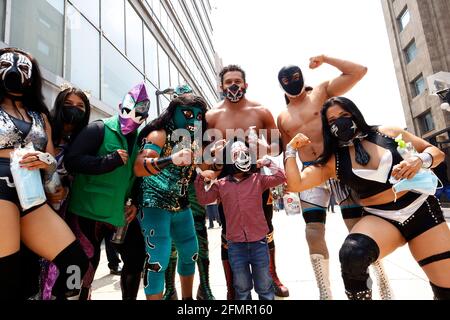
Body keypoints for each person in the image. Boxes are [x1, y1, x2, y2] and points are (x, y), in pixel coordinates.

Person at [285, 96, 450, 300]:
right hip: (382, 219)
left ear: (355, 113)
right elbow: (296, 184)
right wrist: (291, 150)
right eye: (332, 120)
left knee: (446, 289)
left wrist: (420, 160)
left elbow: (435, 152)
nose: (340, 121)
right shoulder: (332, 161)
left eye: (344, 115)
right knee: (352, 255)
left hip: (421, 212)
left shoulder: (388, 132)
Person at [277, 57, 393, 300]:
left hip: (340, 165)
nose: (292, 82)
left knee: (358, 229)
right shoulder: (282, 117)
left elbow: (360, 70)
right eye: (286, 80)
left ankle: (382, 281)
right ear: (280, 84)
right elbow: (283, 149)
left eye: (295, 76)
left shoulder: (321, 92)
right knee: (313, 230)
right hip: (311, 172)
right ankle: (324, 293)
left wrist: (326, 58)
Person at [0, 47, 88, 300]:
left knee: (75, 263)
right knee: (8, 277)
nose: (15, 71)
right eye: (7, 64)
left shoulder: (40, 117)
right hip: (1, 190)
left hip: (33, 196)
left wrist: (47, 162)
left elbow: (53, 173)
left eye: (23, 66)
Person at [206, 65, 288, 299]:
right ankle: (232, 286)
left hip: (258, 180)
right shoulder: (212, 115)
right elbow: (203, 151)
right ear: (221, 86)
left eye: (237, 81)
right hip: (226, 182)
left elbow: (277, 147)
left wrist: (259, 146)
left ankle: (272, 277)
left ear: (245, 84)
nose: (233, 85)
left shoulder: (261, 111)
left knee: (266, 229)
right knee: (228, 233)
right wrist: (214, 153)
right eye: (228, 81)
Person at [64, 83, 149, 300]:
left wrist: (136, 201)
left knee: (136, 255)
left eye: (140, 113)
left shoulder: (141, 139)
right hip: (87, 210)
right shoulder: (98, 129)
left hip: (119, 212)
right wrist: (107, 162)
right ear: (120, 107)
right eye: (129, 110)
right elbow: (72, 161)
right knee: (83, 262)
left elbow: (138, 175)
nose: (133, 116)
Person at [134, 94, 209, 300]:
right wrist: (171, 159)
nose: (194, 119)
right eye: (187, 114)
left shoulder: (195, 141)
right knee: (158, 260)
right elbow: (139, 167)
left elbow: (205, 168)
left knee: (190, 253)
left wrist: (215, 159)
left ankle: (187, 300)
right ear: (173, 113)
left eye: (199, 116)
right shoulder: (158, 134)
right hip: (153, 203)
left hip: (181, 205)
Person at [195, 141, 286, 300]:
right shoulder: (221, 185)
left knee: (264, 286)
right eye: (236, 154)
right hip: (236, 245)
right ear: (230, 159)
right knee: (242, 288)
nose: (241, 156)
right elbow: (203, 199)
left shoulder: (258, 179)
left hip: (259, 242)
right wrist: (201, 178)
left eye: (244, 153)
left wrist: (267, 161)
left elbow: (280, 176)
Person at [33, 85, 91, 300]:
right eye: (68, 105)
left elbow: (83, 177)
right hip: (33, 208)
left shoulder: (85, 141)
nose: (74, 109)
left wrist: (65, 187)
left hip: (66, 213)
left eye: (80, 106)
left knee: (72, 262)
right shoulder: (40, 132)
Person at [162, 84, 215, 300]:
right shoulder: (163, 129)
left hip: (193, 192)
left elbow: (208, 164)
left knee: (200, 240)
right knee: (170, 243)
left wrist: (206, 169)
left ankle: (205, 287)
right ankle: (169, 289)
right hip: (167, 192)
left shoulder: (200, 131)